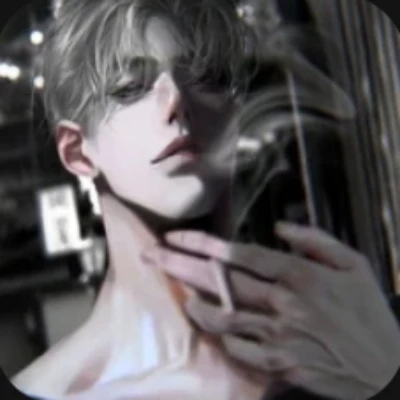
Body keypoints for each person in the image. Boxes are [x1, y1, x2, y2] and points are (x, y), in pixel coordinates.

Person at [10, 0, 400, 399]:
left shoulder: (352, 334)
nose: (176, 100)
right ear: (78, 151)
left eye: (206, 77)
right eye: (130, 88)